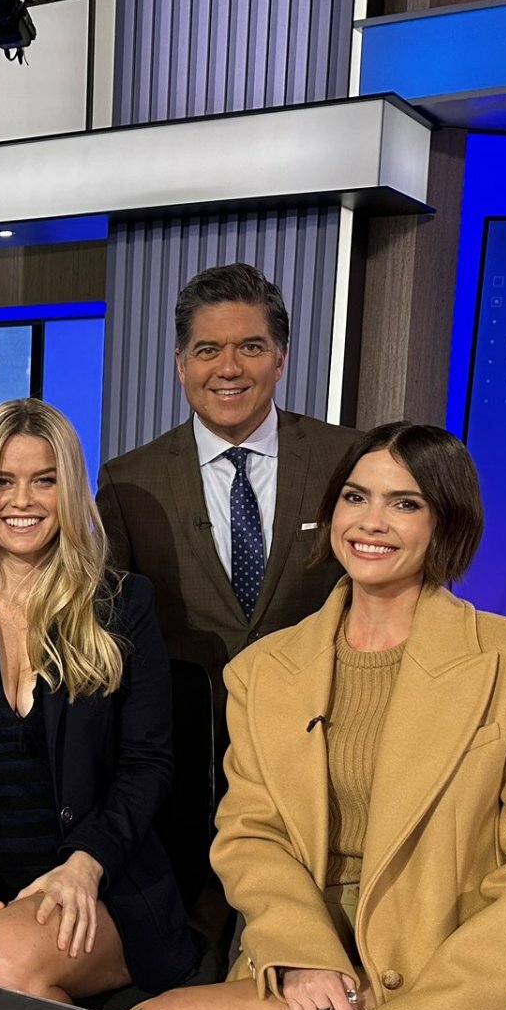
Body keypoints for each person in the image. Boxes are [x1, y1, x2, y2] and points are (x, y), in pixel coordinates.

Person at [135, 422, 506, 1010]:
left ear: (446, 523)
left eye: (405, 504)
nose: (371, 521)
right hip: (316, 973)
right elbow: (250, 834)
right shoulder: (264, 671)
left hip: (453, 983)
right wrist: (301, 954)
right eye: (355, 497)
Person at [0, 398, 198, 1003]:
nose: (22, 500)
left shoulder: (121, 605)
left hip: (99, 878)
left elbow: (147, 766)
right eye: (3, 481)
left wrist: (86, 863)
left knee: (2, 958)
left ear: (70, 490)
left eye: (44, 481)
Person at [96, 264, 360, 957]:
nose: (229, 368)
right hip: (187, 763)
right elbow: (111, 631)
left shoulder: (347, 461)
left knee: (315, 942)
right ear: (181, 364)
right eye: (208, 350)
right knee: (194, 946)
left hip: (320, 748)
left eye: (250, 347)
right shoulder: (129, 481)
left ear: (281, 357)